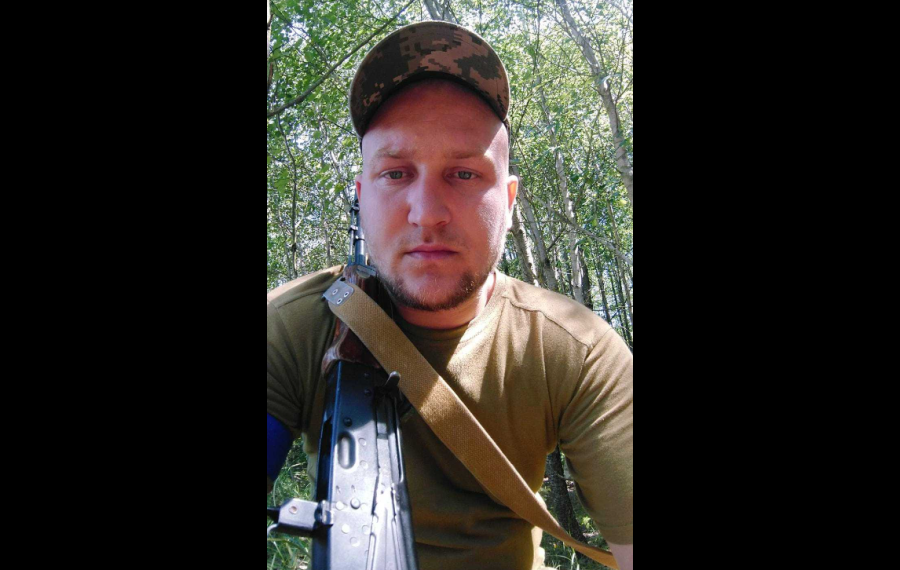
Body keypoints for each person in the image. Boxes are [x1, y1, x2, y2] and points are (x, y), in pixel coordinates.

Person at [267, 21, 634, 570]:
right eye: (396, 174)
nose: (427, 213)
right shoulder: (293, 325)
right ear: (362, 197)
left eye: (463, 174)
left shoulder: (575, 351)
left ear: (509, 200)